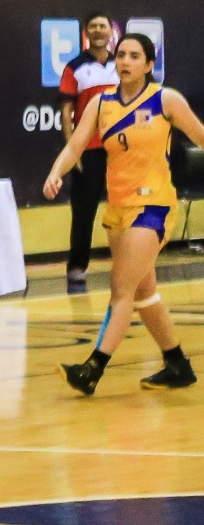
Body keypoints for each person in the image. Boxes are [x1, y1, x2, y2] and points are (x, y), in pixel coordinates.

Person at [45, 32, 202, 395]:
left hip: (154, 206)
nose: (125, 61)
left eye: (134, 56)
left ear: (149, 65)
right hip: (117, 208)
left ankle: (92, 369)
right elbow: (76, 144)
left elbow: (201, 136)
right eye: (121, 55)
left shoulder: (166, 99)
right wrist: (56, 172)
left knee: (122, 291)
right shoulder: (101, 104)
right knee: (145, 292)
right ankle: (176, 362)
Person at [59, 12, 119, 287]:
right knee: (83, 210)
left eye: (102, 26)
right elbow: (66, 111)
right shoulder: (74, 67)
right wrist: (74, 150)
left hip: (121, 148)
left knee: (126, 208)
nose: (98, 31)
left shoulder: (123, 64)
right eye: (93, 26)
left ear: (110, 31)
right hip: (89, 149)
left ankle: (129, 260)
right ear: (86, 32)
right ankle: (77, 267)